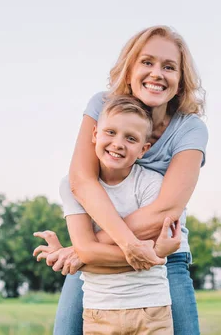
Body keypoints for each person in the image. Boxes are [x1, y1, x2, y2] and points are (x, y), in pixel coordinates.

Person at [34, 25, 207, 335]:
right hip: (98, 262)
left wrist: (82, 248)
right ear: (129, 70)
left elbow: (165, 209)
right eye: (147, 62)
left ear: (180, 82)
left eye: (169, 67)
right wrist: (116, 246)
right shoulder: (102, 106)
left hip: (164, 254)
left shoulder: (190, 129)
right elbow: (82, 181)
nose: (157, 73)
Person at [58, 95, 183, 334]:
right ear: (94, 134)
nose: (118, 143)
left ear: (143, 149)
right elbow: (87, 252)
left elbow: (89, 255)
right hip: (99, 311)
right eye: (110, 132)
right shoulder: (71, 186)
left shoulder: (152, 185)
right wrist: (155, 255)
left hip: (151, 308)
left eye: (131, 138)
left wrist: (89, 258)